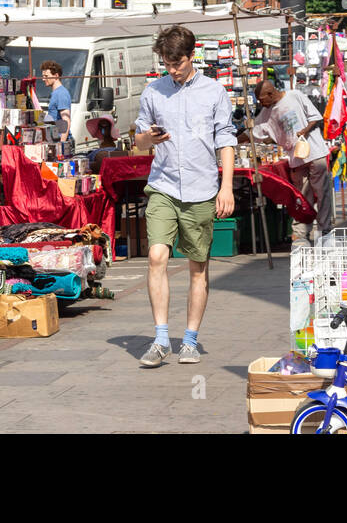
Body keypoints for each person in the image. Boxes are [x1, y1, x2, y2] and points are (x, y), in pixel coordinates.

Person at [133, 25, 236, 368]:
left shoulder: (214, 91)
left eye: (177, 62)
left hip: (202, 188)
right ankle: (161, 338)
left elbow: (226, 140)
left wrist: (226, 187)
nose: (172, 69)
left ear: (192, 57)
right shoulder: (153, 92)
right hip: (163, 184)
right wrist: (149, 138)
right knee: (156, 256)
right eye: (167, 62)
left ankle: (189, 340)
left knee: (197, 268)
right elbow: (138, 141)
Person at [251, 78, 333, 240]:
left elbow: (315, 116)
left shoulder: (294, 95)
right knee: (302, 195)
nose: (261, 103)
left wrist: (305, 130)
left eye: (261, 99)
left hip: (315, 151)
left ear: (270, 93)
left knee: (322, 192)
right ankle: (301, 230)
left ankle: (325, 228)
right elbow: (253, 132)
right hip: (296, 158)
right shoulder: (267, 113)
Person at [40, 60, 72, 137]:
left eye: (46, 76)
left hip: (60, 141)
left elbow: (66, 120)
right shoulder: (56, 93)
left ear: (56, 75)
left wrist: (61, 144)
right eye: (43, 76)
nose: (43, 79)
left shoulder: (61, 93)